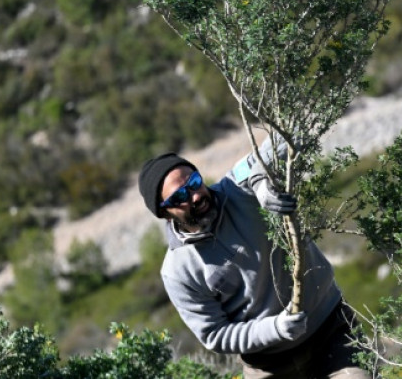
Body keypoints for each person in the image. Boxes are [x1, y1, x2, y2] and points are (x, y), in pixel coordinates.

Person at [138, 140, 372, 378]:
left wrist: (260, 181)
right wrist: (275, 329)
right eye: (180, 197)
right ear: (164, 212)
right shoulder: (178, 271)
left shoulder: (236, 188)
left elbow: (282, 139)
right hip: (268, 364)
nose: (196, 196)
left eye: (195, 182)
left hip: (330, 328)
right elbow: (215, 334)